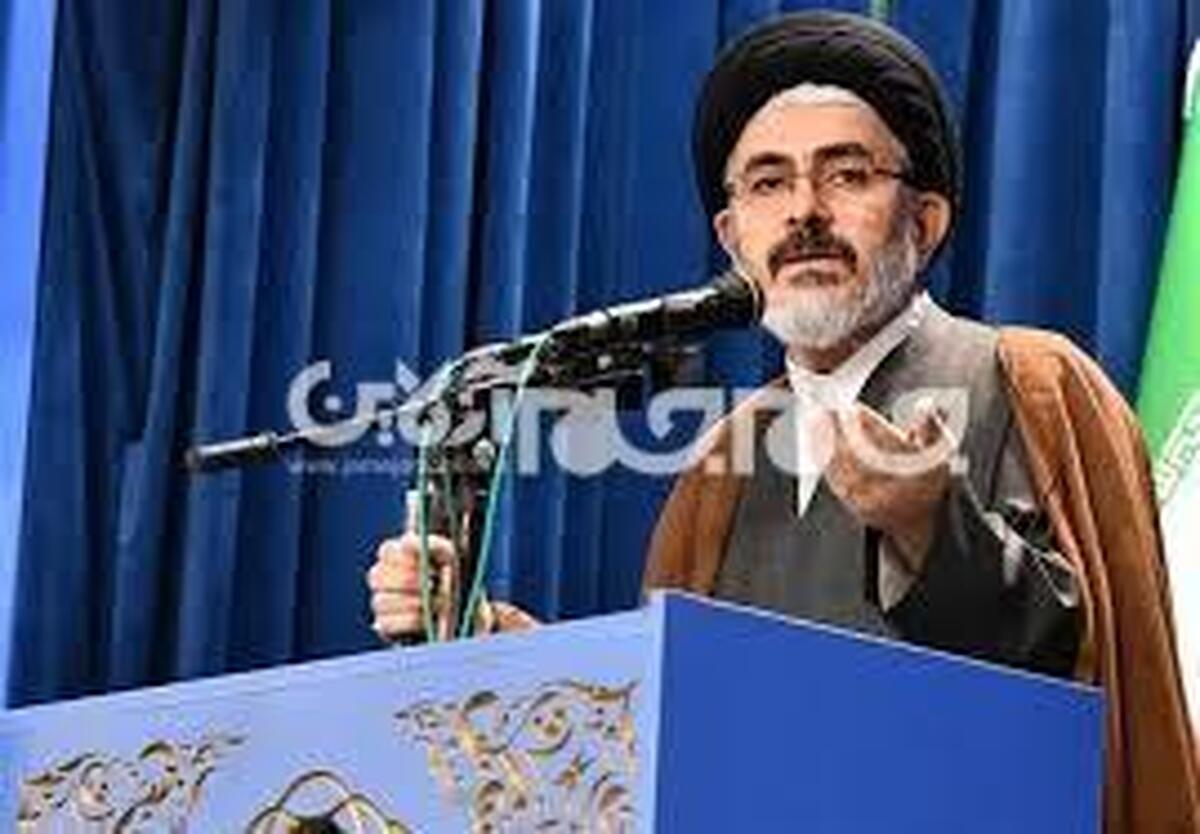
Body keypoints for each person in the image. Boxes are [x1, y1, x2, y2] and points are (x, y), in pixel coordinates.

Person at [367, 11, 1198, 831]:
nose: (804, 211)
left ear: (925, 221)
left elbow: (1083, 670)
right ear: (732, 239)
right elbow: (678, 734)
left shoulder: (1033, 380)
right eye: (768, 183)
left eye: (848, 175)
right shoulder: (725, 459)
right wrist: (495, 643)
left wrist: (934, 529)